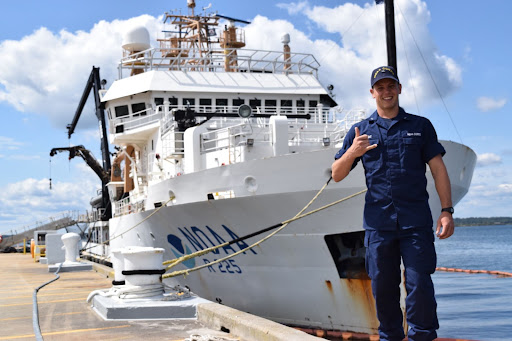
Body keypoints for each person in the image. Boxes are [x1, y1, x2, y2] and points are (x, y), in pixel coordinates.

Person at [331, 66, 454, 341]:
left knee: (419, 284)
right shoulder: (360, 130)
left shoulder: (420, 126)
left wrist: (446, 211)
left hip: (415, 223)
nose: (386, 92)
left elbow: (439, 170)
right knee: (383, 289)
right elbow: (336, 174)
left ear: (399, 89)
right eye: (381, 87)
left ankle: (421, 337)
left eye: (391, 86)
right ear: (372, 92)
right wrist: (352, 151)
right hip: (379, 225)